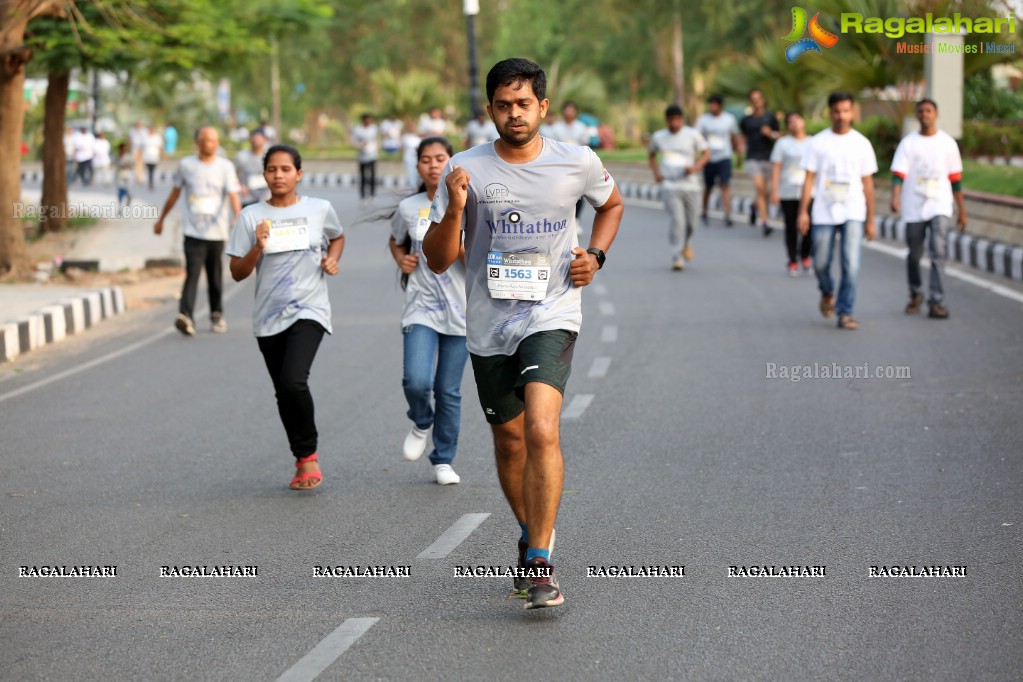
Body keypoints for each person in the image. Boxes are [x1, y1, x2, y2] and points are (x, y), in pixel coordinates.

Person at [424, 57, 624, 609]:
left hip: (551, 311)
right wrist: (454, 209)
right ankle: (531, 531)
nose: (514, 114)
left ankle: (540, 560)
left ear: (543, 106)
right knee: (509, 440)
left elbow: (612, 204)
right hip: (488, 321)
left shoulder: (576, 161)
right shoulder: (463, 168)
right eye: (503, 105)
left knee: (541, 428)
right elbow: (438, 260)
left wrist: (597, 256)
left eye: (524, 104)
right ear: (490, 109)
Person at [226, 144, 344, 491]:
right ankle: (300, 458)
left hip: (310, 308)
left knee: (294, 380)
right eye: (272, 169)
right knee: (283, 390)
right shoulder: (250, 216)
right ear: (264, 174)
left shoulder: (319, 209)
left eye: (285, 169)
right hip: (268, 314)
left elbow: (337, 236)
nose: (278, 175)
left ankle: (309, 456)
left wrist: (332, 259)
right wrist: (258, 246)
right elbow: (236, 272)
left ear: (298, 174)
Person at [388, 136, 468, 485]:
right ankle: (421, 420)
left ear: (452, 163)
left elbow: (478, 255)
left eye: (440, 158)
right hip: (421, 306)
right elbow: (396, 239)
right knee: (417, 380)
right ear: (417, 167)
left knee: (448, 389)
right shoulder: (408, 208)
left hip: (462, 310)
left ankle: (443, 459)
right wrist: (401, 259)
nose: (433, 165)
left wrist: (457, 228)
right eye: (425, 160)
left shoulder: (468, 204)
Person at [797, 92, 878, 331]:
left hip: (853, 210)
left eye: (845, 111)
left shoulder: (861, 144)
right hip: (823, 211)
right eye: (837, 111)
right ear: (830, 113)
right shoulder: (817, 143)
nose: (841, 116)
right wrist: (804, 211)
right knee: (820, 263)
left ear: (852, 112)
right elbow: (809, 179)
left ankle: (845, 311)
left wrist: (871, 219)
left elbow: (868, 184)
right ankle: (826, 291)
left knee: (851, 264)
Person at [154, 126, 241, 336]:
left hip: (217, 231)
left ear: (217, 143)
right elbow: (174, 193)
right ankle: (186, 316)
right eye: (205, 140)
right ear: (197, 143)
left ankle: (216, 314)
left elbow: (233, 194)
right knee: (192, 273)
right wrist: (161, 219)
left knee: (215, 275)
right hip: (192, 230)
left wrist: (238, 216)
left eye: (213, 140)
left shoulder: (225, 167)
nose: (209, 144)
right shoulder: (186, 165)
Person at [891, 99, 967, 319]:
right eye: (921, 111)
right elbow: (898, 174)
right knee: (914, 255)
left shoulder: (947, 143)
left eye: (929, 111)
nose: (925, 114)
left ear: (936, 114)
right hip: (914, 205)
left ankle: (937, 301)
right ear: (917, 115)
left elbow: (956, 179)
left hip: (940, 204)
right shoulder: (908, 143)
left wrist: (962, 209)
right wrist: (895, 197)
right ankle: (915, 293)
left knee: (938, 252)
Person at [648, 104, 710, 271]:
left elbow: (706, 153)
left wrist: (695, 167)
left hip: (691, 185)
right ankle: (677, 255)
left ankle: (686, 243)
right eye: (671, 120)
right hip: (670, 184)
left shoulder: (692, 134)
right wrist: (656, 172)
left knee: (692, 223)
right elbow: (652, 154)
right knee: (678, 220)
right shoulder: (659, 137)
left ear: (682, 120)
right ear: (667, 120)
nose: (674, 123)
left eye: (677, 119)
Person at [770, 111, 813, 276]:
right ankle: (792, 260)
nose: (794, 124)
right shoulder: (782, 143)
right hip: (788, 190)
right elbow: (776, 167)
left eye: (797, 120)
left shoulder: (812, 142)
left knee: (810, 225)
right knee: (791, 226)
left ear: (803, 121)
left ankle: (806, 255)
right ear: (787, 125)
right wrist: (775, 190)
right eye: (791, 121)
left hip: (810, 192)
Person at [739, 88, 780, 236]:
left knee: (767, 191)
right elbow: (742, 137)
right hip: (753, 158)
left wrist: (770, 133)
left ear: (762, 100)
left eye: (759, 99)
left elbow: (779, 135)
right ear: (750, 102)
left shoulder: (770, 118)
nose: (756, 102)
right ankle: (765, 222)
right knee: (760, 188)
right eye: (753, 100)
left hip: (769, 158)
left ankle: (754, 206)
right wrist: (740, 149)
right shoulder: (746, 120)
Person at [695, 94, 740, 226]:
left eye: (714, 104)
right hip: (709, 158)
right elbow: (697, 137)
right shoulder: (703, 120)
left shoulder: (729, 119)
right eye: (710, 104)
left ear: (720, 105)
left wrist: (738, 153)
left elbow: (734, 136)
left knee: (725, 185)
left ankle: (727, 214)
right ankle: (704, 211)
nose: (712, 107)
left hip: (724, 156)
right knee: (708, 187)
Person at [550, 101, 591, 224]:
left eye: (571, 110)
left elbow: (585, 145)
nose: (568, 112)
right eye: (566, 110)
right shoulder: (556, 128)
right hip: (560, 164)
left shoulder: (581, 127)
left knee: (579, 192)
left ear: (575, 112)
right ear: (563, 112)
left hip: (577, 164)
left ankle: (576, 218)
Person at [235, 130, 271, 207]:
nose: (256, 141)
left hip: (266, 197)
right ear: (250, 139)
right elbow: (233, 175)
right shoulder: (241, 157)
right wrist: (240, 186)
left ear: (265, 140)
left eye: (259, 139)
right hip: (246, 197)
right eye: (254, 138)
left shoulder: (270, 157)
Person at [351, 113, 379, 204]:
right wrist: (360, 145)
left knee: (373, 176)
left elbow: (377, 140)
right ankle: (363, 197)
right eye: (367, 120)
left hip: (372, 155)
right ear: (363, 120)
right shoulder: (357, 130)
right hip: (362, 156)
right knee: (363, 177)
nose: (369, 121)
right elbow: (353, 142)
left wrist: (377, 147)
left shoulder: (374, 128)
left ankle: (373, 195)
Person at [401, 120, 422, 190]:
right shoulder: (405, 137)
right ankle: (411, 188)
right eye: (410, 127)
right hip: (409, 157)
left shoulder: (418, 138)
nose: (412, 128)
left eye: (413, 127)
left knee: (417, 173)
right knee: (410, 173)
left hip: (417, 157)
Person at [115, 142, 133, 216]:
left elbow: (131, 165)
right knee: (120, 191)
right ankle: (120, 206)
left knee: (125, 189)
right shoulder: (117, 157)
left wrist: (126, 165)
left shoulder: (128, 157)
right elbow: (113, 163)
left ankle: (128, 196)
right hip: (119, 175)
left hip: (127, 175)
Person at [143, 125, 163, 190]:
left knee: (153, 169)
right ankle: (150, 182)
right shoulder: (146, 137)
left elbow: (160, 146)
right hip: (147, 155)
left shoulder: (157, 137)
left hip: (155, 155)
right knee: (149, 170)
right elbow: (143, 146)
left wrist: (162, 154)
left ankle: (152, 181)